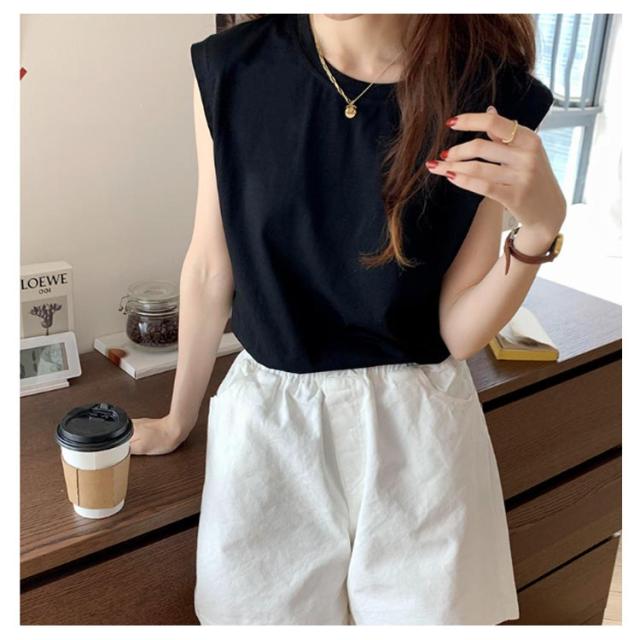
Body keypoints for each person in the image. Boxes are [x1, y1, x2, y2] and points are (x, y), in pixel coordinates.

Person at [130, 13, 566, 625]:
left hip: (420, 437)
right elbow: (209, 267)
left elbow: (457, 330)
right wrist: (180, 418)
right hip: (269, 430)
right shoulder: (230, 68)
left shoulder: (482, 88)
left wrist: (541, 229)